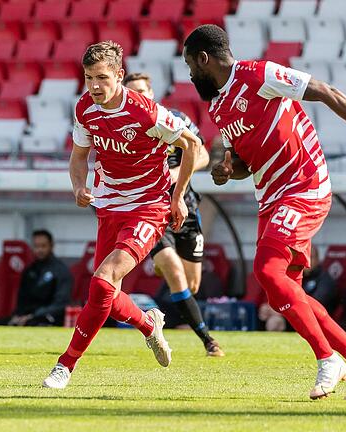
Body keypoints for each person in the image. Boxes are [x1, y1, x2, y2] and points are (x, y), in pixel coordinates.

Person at [183, 24, 346, 400]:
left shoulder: (260, 75)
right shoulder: (218, 107)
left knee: (267, 271)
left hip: (305, 185)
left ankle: (327, 358)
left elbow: (326, 91)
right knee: (283, 290)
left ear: (203, 59)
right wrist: (228, 170)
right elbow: (241, 161)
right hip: (271, 197)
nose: (190, 74)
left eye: (191, 65)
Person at [42, 41, 202, 389]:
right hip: (109, 205)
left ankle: (64, 366)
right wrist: (79, 187)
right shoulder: (85, 108)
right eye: (88, 78)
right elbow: (78, 159)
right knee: (106, 296)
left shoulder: (146, 112)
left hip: (149, 206)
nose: (95, 86)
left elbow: (191, 145)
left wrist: (178, 197)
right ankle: (148, 325)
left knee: (102, 281)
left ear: (120, 75)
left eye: (102, 77)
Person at [123, 72, 224, 357]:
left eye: (142, 91)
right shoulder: (124, 128)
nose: (138, 97)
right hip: (152, 212)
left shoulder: (173, 118)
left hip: (186, 207)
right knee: (175, 273)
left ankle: (163, 272)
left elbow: (201, 154)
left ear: (152, 93)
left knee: (192, 284)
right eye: (131, 93)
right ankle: (208, 341)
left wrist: (175, 175)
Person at [259, 246, 338, 332]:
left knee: (275, 322)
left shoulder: (325, 279)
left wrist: (281, 311)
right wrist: (272, 308)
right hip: (294, 318)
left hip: (314, 322)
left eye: (310, 257)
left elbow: (314, 306)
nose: (306, 260)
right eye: (303, 257)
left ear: (318, 260)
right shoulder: (295, 276)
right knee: (269, 314)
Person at [8, 230, 73, 326]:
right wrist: (18, 315)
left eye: (43, 246)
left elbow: (61, 303)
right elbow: (22, 298)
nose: (40, 250)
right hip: (27, 317)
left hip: (49, 318)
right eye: (36, 246)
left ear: (51, 246)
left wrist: (34, 315)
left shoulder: (61, 270)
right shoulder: (30, 270)